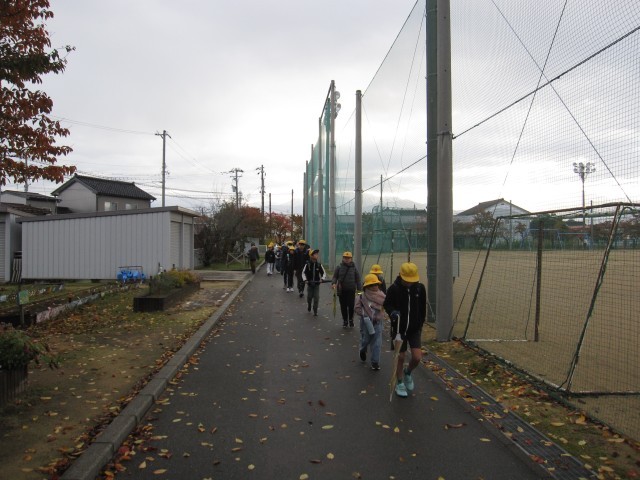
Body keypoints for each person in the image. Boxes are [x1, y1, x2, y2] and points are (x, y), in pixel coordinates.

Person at [383, 262, 427, 398]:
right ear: (401, 276)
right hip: (398, 330)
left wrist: (420, 323)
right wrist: (392, 312)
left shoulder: (420, 288)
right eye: (407, 280)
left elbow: (422, 308)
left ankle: (408, 372)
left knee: (417, 357)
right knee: (400, 357)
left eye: (411, 280)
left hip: (414, 329)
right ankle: (400, 382)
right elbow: (387, 304)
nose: (409, 283)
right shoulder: (393, 289)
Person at [355, 274, 386, 370]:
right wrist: (364, 314)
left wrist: (379, 315)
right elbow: (357, 308)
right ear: (367, 286)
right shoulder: (361, 296)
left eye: (376, 284)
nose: (375, 286)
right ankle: (362, 349)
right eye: (372, 285)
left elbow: (385, 307)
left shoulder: (382, 296)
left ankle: (375, 362)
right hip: (366, 323)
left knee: (377, 342)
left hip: (378, 322)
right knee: (365, 340)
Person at [331, 251, 362, 328]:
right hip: (341, 290)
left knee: (351, 306)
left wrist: (359, 291)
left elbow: (358, 280)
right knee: (343, 306)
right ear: (343, 258)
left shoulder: (354, 268)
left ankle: (351, 320)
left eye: (348, 258)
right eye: (345, 258)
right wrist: (333, 283)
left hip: (351, 290)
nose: (347, 259)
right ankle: (345, 320)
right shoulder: (339, 267)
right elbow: (335, 277)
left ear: (351, 259)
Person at [302, 248, 326, 316]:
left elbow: (324, 273)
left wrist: (322, 279)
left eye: (317, 254)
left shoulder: (319, 265)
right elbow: (303, 273)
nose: (317, 255)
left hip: (316, 284)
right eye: (315, 254)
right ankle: (309, 304)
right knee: (309, 297)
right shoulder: (307, 265)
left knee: (316, 298)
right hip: (309, 284)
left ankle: (315, 310)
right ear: (311, 256)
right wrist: (305, 280)